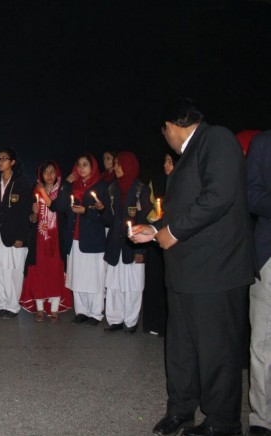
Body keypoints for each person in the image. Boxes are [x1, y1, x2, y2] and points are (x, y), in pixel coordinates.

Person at [132, 98, 254, 436]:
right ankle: (181, 410)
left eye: (164, 133)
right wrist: (155, 229)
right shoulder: (188, 157)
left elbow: (220, 195)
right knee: (181, 349)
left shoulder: (216, 139)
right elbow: (180, 208)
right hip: (185, 272)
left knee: (216, 349)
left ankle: (222, 421)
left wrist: (172, 231)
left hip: (216, 270)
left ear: (170, 127)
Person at [58, 153, 111, 326]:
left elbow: (106, 216)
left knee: (94, 277)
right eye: (79, 165)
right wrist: (66, 182)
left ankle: (95, 313)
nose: (81, 168)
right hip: (74, 238)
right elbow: (59, 205)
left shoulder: (102, 187)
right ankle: (81, 311)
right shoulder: (72, 186)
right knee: (78, 277)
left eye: (85, 165)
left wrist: (86, 212)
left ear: (93, 167)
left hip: (93, 239)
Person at [103, 152, 151, 333]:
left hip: (134, 244)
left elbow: (146, 220)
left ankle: (131, 322)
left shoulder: (141, 190)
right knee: (114, 283)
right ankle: (115, 319)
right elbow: (109, 219)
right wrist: (102, 210)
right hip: (115, 243)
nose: (115, 168)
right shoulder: (112, 189)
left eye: (119, 164)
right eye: (115, 164)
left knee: (133, 284)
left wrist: (142, 251)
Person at [20, 160, 72, 322]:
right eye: (45, 172)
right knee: (39, 272)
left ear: (57, 174)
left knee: (55, 271)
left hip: (56, 240)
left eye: (52, 171)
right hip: (39, 240)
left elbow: (63, 211)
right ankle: (40, 308)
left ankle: (54, 309)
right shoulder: (34, 191)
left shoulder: (62, 191)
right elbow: (30, 219)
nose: (49, 175)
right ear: (40, 175)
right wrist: (34, 214)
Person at [0, 147, 31, 319]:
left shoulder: (21, 183)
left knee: (13, 271)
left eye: (4, 159)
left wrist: (21, 236)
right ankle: (2, 304)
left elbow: (25, 212)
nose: (0, 162)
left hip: (13, 235)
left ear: (12, 162)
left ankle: (13, 307)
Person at [247, 129, 271, 436]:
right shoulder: (263, 143)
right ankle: (262, 418)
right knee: (264, 340)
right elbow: (251, 195)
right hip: (269, 254)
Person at [142, 152, 177, 337]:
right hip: (156, 237)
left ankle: (168, 325)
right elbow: (148, 209)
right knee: (155, 280)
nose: (166, 165)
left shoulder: (184, 184)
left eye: (170, 162)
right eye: (165, 161)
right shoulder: (157, 182)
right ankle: (153, 322)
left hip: (176, 238)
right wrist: (153, 217)